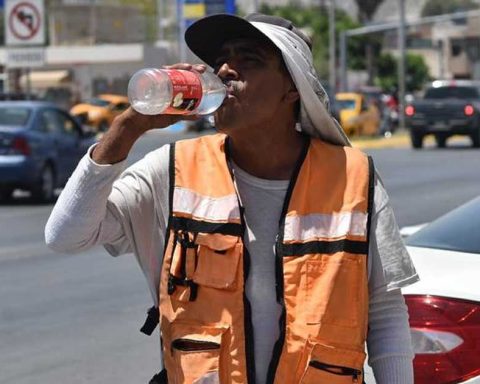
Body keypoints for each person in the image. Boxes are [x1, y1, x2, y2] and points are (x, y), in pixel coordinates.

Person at [45, 13, 419, 384]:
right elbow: (65, 235)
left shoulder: (354, 177)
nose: (225, 71)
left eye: (249, 60)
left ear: (293, 88)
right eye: (221, 59)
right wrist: (129, 126)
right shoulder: (172, 171)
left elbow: (384, 312)